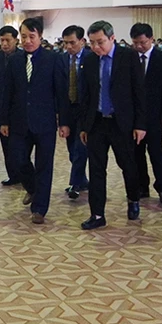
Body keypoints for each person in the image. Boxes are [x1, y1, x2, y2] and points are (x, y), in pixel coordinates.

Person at [0, 17, 70, 225]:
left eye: (32, 36)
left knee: (44, 165)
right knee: (18, 160)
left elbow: (61, 93)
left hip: (45, 122)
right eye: (23, 37)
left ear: (40, 36)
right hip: (19, 122)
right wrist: (3, 120)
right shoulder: (14, 60)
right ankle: (32, 188)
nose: (27, 41)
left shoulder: (53, 59)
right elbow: (7, 93)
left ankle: (39, 208)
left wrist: (64, 122)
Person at [79, 21, 146, 230]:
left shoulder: (128, 57)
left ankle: (133, 199)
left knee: (128, 164)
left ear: (112, 38)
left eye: (100, 42)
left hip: (122, 122)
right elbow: (85, 96)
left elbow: (139, 93)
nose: (96, 47)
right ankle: (97, 213)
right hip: (97, 122)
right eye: (92, 43)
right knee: (97, 169)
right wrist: (84, 126)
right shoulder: (89, 61)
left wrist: (140, 124)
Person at [130, 23, 162, 205]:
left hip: (155, 115)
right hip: (134, 116)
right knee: (136, 153)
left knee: (156, 152)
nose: (139, 46)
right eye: (136, 43)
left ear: (151, 39)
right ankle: (142, 186)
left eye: (143, 42)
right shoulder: (129, 58)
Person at [0, 26, 20, 186]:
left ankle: (23, 173)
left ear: (16, 40)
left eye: (8, 40)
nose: (5, 44)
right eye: (2, 40)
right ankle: (12, 175)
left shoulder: (22, 56)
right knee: (5, 143)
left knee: (19, 145)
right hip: (1, 107)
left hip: (18, 107)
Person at [61, 26, 90, 200]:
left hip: (84, 109)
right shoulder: (62, 59)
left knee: (81, 148)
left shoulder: (91, 58)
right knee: (72, 148)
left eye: (72, 42)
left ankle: (75, 183)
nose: (69, 47)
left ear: (82, 41)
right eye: (66, 43)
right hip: (67, 109)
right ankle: (83, 180)